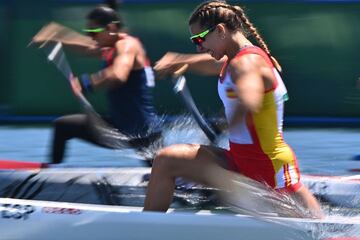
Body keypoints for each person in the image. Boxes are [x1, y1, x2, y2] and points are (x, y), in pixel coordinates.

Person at [144, 0, 322, 217]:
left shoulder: (246, 64)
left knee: (314, 226)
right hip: (241, 160)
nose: (199, 46)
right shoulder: (237, 59)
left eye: (200, 39)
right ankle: (146, 227)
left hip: (267, 166)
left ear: (220, 30)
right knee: (166, 160)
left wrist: (220, 125)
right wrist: (181, 61)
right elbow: (211, 65)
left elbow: (249, 102)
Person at [32, 4, 161, 164]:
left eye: (94, 31)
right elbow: (86, 47)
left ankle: (48, 178)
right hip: (120, 127)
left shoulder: (127, 45)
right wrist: (56, 35)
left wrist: (86, 82)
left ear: (111, 28)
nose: (91, 36)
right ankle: (50, 177)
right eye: (88, 32)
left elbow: (118, 75)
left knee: (164, 178)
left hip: (142, 132)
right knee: (63, 126)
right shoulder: (111, 45)